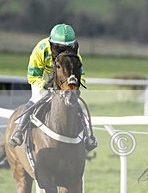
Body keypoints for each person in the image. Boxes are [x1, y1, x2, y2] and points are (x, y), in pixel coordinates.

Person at [9, 23, 98, 151]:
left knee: (77, 103)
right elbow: (32, 76)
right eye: (59, 48)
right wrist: (44, 85)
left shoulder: (74, 51)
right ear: (51, 44)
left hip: (65, 77)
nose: (64, 51)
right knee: (37, 98)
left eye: (67, 48)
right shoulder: (41, 49)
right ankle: (19, 132)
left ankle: (89, 136)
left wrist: (76, 85)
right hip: (44, 76)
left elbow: (80, 72)